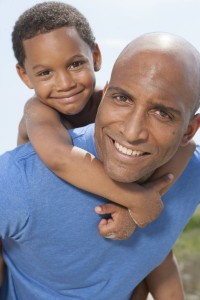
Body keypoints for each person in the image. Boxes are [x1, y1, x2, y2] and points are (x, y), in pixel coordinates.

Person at [0, 30, 199, 299]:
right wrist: (139, 200)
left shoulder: (191, 171)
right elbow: (57, 157)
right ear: (104, 96)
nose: (132, 132)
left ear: (189, 130)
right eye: (123, 98)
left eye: (162, 113)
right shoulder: (23, 176)